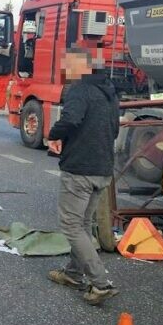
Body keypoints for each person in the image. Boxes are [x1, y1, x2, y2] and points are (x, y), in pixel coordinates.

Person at [45, 48, 121, 305]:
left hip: (80, 169)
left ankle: (100, 283)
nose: (65, 69)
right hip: (102, 169)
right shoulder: (108, 91)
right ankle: (74, 274)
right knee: (84, 223)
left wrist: (54, 134)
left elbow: (71, 119)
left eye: (68, 64)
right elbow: (114, 128)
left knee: (71, 225)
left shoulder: (79, 89)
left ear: (82, 66)